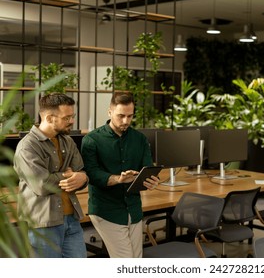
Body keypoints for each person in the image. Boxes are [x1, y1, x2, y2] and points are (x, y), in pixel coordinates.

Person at [81, 91, 160, 258]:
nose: (126, 121)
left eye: (130, 116)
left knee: (136, 259)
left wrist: (152, 180)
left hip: (133, 208)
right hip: (106, 209)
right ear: (110, 112)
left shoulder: (140, 139)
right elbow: (92, 174)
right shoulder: (92, 140)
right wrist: (119, 179)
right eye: (121, 116)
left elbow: (147, 168)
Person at [14, 92, 88, 258]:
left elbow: (80, 173)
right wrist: (67, 175)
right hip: (44, 223)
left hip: (72, 218)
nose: (72, 121)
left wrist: (83, 178)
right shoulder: (27, 147)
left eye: (72, 116)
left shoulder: (67, 141)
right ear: (48, 118)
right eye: (66, 117)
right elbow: (41, 185)